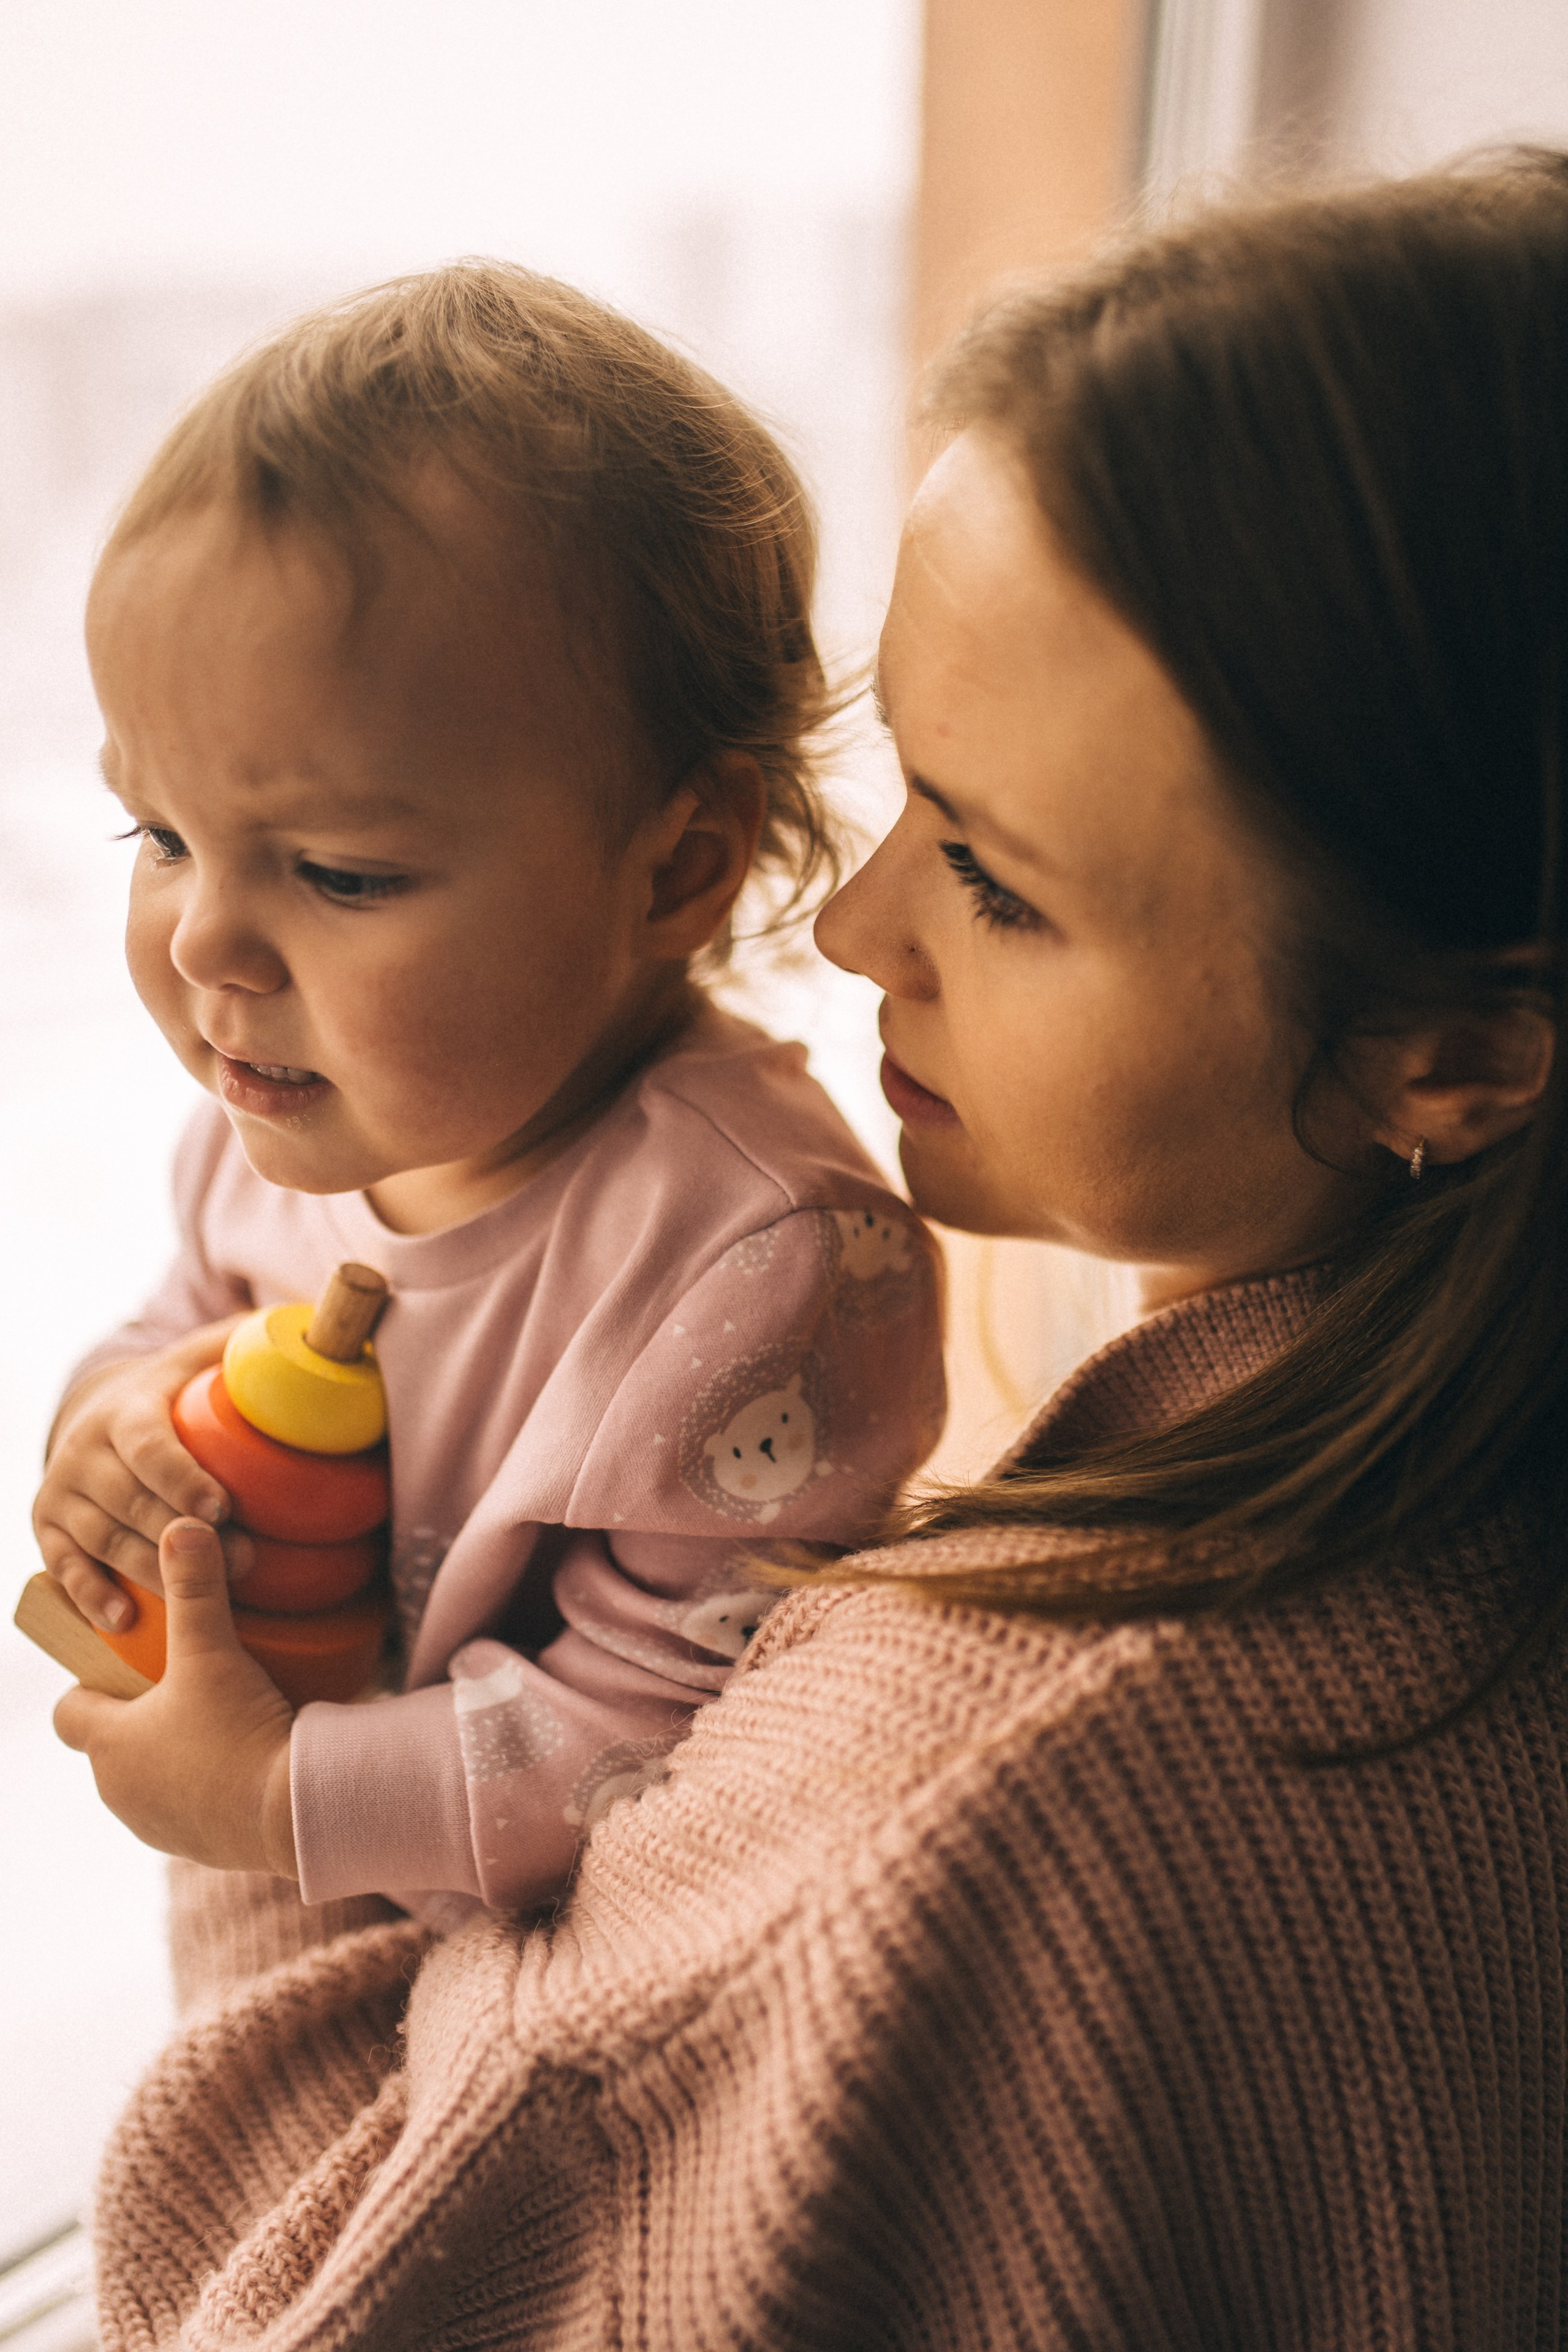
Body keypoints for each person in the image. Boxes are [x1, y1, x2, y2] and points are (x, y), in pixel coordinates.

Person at [86, 153, 1568, 2350]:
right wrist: (142, 1425)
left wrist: (263, 1777)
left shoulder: (993, 1787)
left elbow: (301, 2294)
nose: (852, 926)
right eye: (903, 795)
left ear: (1444, 1058)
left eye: (992, 876)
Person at [36, 264, 943, 1924]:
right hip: (296, 1862)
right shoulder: (291, 1100)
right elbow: (190, 1312)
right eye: (160, 838)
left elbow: (676, 1740)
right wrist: (117, 1427)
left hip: (530, 1928)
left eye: (337, 871)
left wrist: (272, 1797)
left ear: (677, 866)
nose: (211, 943)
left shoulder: (759, 1262)